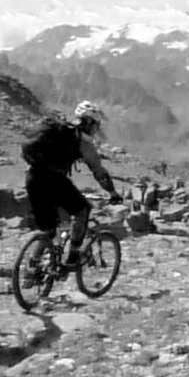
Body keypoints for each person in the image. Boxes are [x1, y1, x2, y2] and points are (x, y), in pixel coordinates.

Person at [22, 100, 123, 274]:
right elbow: (99, 172)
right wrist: (113, 192)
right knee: (82, 210)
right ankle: (73, 256)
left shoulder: (57, 128)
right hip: (53, 178)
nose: (96, 129)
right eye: (96, 124)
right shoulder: (81, 140)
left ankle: (32, 268)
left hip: (32, 177)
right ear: (89, 122)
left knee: (47, 229)